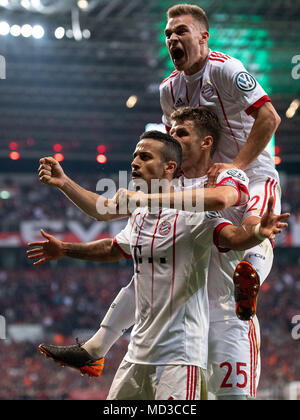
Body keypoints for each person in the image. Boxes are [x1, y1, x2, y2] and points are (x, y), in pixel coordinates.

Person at [30, 113, 289, 400]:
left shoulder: (224, 175)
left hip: (223, 312)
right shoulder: (157, 195)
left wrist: (256, 233)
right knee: (144, 270)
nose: (173, 138)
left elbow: (222, 203)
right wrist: (65, 185)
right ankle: (95, 348)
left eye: (181, 134)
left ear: (206, 142)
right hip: (161, 328)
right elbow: (105, 215)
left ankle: (95, 349)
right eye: (171, 133)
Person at [160, 4, 282, 321]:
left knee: (255, 228)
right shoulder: (169, 89)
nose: (173, 38)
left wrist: (237, 165)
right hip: (210, 185)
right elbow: (172, 145)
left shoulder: (226, 70)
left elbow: (270, 118)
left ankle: (250, 283)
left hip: (254, 173)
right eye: (168, 34)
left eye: (181, 31)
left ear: (204, 37)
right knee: (215, 254)